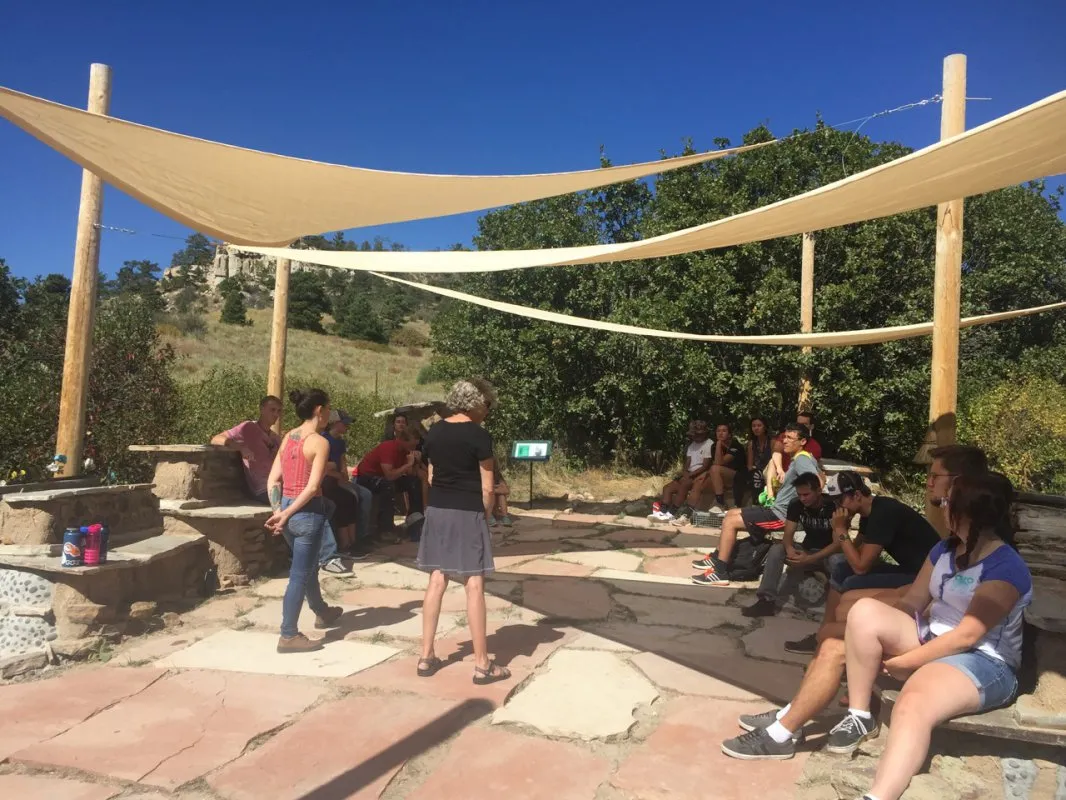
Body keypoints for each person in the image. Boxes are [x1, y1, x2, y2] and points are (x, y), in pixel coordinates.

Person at [718, 445, 990, 762]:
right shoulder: (947, 547)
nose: (928, 483)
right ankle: (792, 716)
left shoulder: (988, 553)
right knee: (839, 623)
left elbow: (864, 565)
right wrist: (874, 624)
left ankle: (786, 729)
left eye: (935, 478)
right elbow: (914, 594)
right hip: (923, 613)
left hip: (942, 641)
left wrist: (840, 534)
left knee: (842, 617)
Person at [826, 472, 1030, 800]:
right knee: (863, 611)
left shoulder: (1005, 567)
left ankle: (879, 795)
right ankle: (860, 715)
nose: (941, 506)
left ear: (965, 512)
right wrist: (879, 635)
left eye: (947, 501)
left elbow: (966, 636)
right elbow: (912, 602)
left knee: (913, 701)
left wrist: (904, 661)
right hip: (933, 636)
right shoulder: (944, 549)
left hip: (983, 660)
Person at [782, 469, 941, 655]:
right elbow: (853, 553)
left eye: (840, 501)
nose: (837, 507)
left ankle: (838, 641)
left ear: (856, 495)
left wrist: (841, 531)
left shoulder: (883, 513)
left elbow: (860, 566)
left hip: (923, 578)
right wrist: (840, 531)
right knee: (841, 569)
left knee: (851, 581)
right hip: (909, 569)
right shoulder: (868, 513)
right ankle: (824, 635)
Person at [416, 378, 511, 685]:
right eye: (486, 405)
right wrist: (484, 517)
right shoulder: (479, 436)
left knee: (437, 578)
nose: (487, 410)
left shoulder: (435, 431)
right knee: (474, 583)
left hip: (438, 511)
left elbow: (430, 476)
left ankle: (426, 655)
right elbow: (487, 487)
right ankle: (482, 664)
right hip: (467, 510)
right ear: (473, 404)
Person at [263, 389, 344, 653]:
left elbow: (274, 479)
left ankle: (321, 611)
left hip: (286, 506)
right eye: (329, 409)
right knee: (299, 574)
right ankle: (288, 634)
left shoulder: (288, 437)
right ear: (319, 410)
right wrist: (286, 514)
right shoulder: (319, 442)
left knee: (306, 566)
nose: (330, 415)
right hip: (307, 513)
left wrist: (280, 511)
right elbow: (312, 488)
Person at [691, 422, 819, 587]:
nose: (785, 441)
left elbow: (815, 482)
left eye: (790, 438)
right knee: (731, 514)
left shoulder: (802, 460)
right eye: (784, 437)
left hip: (781, 515)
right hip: (775, 510)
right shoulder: (800, 458)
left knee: (730, 521)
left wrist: (799, 508)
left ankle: (720, 572)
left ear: (802, 442)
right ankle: (716, 558)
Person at [741, 471, 840, 617]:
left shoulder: (833, 507)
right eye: (799, 494)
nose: (802, 498)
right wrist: (790, 549)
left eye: (806, 495)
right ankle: (766, 601)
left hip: (829, 553)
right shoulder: (796, 504)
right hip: (807, 550)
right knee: (777, 549)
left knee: (838, 560)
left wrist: (810, 559)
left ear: (818, 491)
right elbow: (788, 534)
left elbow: (838, 543)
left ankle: (839, 605)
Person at [210, 395, 282, 502]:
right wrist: (240, 447)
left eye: (279, 411)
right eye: (272, 410)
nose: (276, 414)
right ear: (261, 409)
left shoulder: (276, 438)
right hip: (262, 489)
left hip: (279, 485)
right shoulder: (248, 428)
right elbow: (216, 439)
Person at [321, 409, 373, 557]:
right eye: (344, 423)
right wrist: (337, 474)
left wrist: (342, 475)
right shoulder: (323, 439)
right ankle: (345, 544)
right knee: (344, 499)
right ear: (335, 423)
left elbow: (342, 463)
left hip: (337, 481)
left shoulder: (340, 442)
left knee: (353, 497)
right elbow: (322, 467)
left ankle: (354, 541)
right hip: (326, 482)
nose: (347, 426)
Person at [356, 431, 421, 537]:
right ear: (403, 441)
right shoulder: (389, 448)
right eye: (412, 445)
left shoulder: (405, 452)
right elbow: (389, 475)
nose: (413, 448)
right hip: (367, 477)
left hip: (385, 478)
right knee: (387, 485)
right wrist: (408, 464)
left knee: (413, 482)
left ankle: (414, 520)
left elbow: (410, 474)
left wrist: (415, 463)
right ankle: (386, 529)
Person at [649, 420, 714, 522]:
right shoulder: (692, 445)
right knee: (667, 488)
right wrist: (685, 473)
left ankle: (672, 513)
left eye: (696, 435)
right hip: (689, 473)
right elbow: (687, 462)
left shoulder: (709, 444)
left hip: (699, 474)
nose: (694, 437)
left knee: (684, 484)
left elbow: (705, 466)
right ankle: (663, 511)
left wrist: (690, 475)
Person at [769, 410, 823, 488]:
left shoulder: (815, 447)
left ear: (812, 426)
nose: (785, 441)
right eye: (798, 423)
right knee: (772, 462)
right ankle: (770, 497)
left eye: (805, 424)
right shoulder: (784, 436)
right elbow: (776, 452)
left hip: (796, 479)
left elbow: (814, 474)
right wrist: (779, 469)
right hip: (780, 474)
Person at [702, 423, 746, 517]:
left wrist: (718, 444)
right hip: (723, 476)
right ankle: (689, 512)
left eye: (724, 431)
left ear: (729, 434)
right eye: (718, 431)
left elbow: (719, 463)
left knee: (714, 469)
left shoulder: (736, 445)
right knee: (700, 480)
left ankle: (720, 503)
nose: (720, 433)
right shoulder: (713, 446)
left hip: (738, 476)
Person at [746, 416, 774, 504]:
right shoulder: (751, 444)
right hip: (756, 472)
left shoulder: (772, 442)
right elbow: (750, 465)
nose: (756, 428)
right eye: (753, 426)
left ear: (764, 427)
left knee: (758, 474)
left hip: (770, 470)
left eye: (759, 425)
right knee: (755, 474)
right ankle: (756, 502)